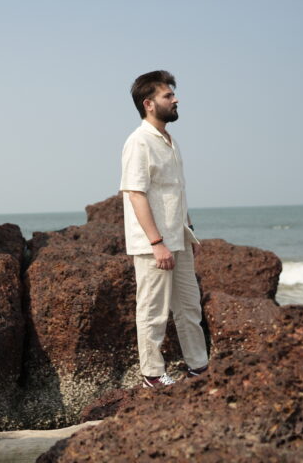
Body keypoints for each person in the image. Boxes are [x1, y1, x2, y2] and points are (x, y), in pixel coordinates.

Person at [120, 70, 209, 389]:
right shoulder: (139, 141)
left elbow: (175, 192)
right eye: (167, 95)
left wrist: (189, 229)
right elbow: (135, 193)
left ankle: (199, 366)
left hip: (179, 238)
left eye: (173, 94)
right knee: (153, 311)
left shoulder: (169, 141)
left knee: (189, 307)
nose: (175, 99)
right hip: (152, 243)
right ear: (149, 104)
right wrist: (156, 242)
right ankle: (153, 374)